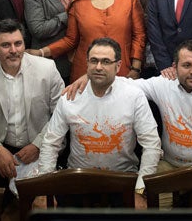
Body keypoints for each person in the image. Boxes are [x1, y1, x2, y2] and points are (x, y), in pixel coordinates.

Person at [67, 40, 192, 169]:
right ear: (174, 67)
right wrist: (91, 76)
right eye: (187, 65)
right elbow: (126, 83)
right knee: (151, 202)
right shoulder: (163, 84)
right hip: (168, 164)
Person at [38, 38, 162, 209]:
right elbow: (51, 143)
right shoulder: (69, 97)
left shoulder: (134, 96)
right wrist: (45, 190)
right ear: (87, 63)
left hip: (123, 180)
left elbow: (152, 145)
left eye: (106, 62)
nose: (98, 67)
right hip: (78, 180)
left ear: (118, 66)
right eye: (94, 61)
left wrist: (140, 190)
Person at [0, 19, 63, 188]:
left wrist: (38, 145)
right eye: (5, 45)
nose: (13, 51)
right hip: (3, 145)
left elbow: (60, 115)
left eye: (18, 44)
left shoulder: (47, 69)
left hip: (42, 141)